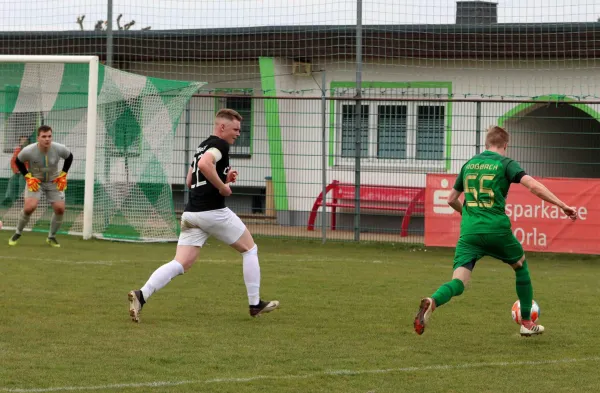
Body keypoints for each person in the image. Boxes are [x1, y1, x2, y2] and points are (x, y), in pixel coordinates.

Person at [413, 126, 578, 337]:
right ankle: (527, 322)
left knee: (459, 281)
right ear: (506, 145)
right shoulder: (505, 163)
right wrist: (562, 205)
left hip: (469, 232)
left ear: (486, 144)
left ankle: (433, 301)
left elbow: (451, 199)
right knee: (520, 266)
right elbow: (533, 186)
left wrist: (470, 216)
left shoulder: (470, 164)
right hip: (496, 229)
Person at [128, 108, 279, 323]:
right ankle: (255, 304)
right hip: (213, 212)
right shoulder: (220, 145)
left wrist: (224, 177)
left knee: (181, 263)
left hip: (191, 214)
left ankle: (141, 295)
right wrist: (224, 188)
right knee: (250, 249)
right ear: (222, 127)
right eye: (235, 129)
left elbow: (190, 180)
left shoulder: (202, 146)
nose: (238, 133)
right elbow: (204, 165)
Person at [8, 125, 73, 248]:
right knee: (29, 208)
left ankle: (51, 237)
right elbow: (18, 161)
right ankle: (17, 233)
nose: (47, 139)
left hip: (54, 181)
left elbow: (69, 157)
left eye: (49, 136)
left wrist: (63, 174)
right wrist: (28, 176)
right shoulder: (28, 150)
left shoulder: (59, 148)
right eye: (44, 136)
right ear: (38, 138)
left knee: (60, 209)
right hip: (35, 181)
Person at [1, 136, 29, 208]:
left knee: (22, 179)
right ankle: (9, 198)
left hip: (28, 173)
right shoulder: (17, 150)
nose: (23, 142)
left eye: (25, 140)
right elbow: (12, 162)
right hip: (19, 172)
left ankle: (21, 199)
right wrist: (17, 170)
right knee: (12, 180)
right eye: (22, 141)